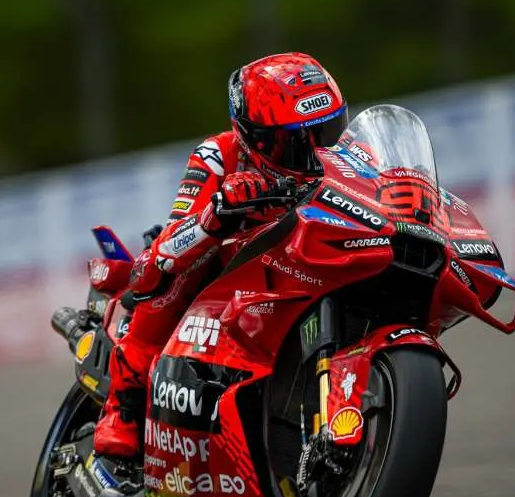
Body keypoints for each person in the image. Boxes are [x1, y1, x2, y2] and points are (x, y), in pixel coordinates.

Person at [93, 52, 349, 460]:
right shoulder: (218, 154)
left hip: (296, 270)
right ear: (255, 136)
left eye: (329, 131)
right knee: (164, 276)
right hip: (223, 284)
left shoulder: (345, 158)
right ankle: (121, 412)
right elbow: (165, 249)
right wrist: (218, 214)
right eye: (296, 141)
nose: (317, 151)